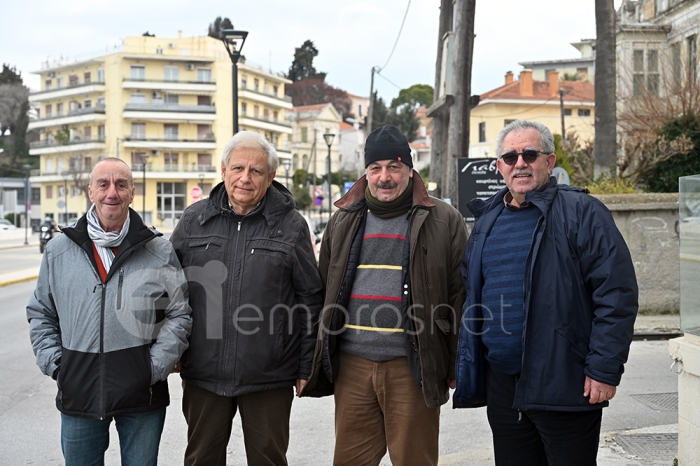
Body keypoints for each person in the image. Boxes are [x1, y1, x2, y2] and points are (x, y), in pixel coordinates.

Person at [454, 120, 639, 465]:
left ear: (550, 162)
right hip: (504, 388)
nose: (519, 163)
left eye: (529, 154)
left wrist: (603, 368)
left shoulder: (582, 212)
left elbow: (616, 294)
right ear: (499, 167)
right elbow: (472, 295)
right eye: (510, 156)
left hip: (564, 382)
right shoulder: (487, 221)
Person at [302, 125, 469, 465]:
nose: (385, 177)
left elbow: (459, 296)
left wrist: (454, 362)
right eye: (375, 168)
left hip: (412, 366)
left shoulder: (443, 219)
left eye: (393, 167)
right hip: (352, 368)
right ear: (366, 173)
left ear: (409, 169)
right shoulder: (343, 219)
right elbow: (323, 291)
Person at [170, 131, 323, 466]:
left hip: (270, 375)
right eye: (238, 168)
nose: (245, 178)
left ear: (270, 178)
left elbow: (310, 298)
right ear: (223, 170)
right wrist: (172, 349)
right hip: (203, 372)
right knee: (200, 460)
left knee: (268, 460)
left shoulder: (292, 226)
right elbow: (170, 291)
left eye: (256, 171)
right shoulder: (194, 221)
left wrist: (305, 365)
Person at [26, 157, 192, 466]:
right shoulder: (59, 250)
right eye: (103, 184)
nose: (111, 193)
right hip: (79, 393)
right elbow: (41, 313)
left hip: (143, 394)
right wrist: (60, 368)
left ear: (132, 192)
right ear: (91, 191)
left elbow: (179, 314)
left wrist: (152, 369)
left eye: (120, 185)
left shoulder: (158, 250)